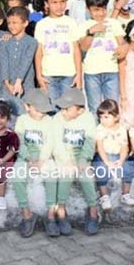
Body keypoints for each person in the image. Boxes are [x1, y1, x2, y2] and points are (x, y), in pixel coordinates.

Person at [42, 88, 99, 236]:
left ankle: (93, 211)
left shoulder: (88, 118)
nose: (63, 111)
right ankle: (61, 210)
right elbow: (56, 142)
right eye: (62, 108)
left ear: (80, 110)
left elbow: (90, 142)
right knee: (65, 175)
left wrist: (83, 160)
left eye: (67, 109)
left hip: (81, 157)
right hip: (63, 157)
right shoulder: (58, 118)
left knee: (86, 176)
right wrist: (66, 161)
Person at [12, 89, 54, 238]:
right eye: (37, 110)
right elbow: (19, 142)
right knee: (17, 176)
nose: (41, 113)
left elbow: (50, 142)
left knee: (52, 175)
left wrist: (41, 161)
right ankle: (27, 214)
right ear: (27, 106)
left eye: (43, 110)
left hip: (44, 157)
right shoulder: (22, 120)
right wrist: (29, 159)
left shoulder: (48, 120)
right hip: (26, 157)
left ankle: (51, 214)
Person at [78, 0, 125, 113]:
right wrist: (91, 32)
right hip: (91, 72)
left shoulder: (114, 23)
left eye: (103, 9)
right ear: (88, 9)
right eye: (96, 10)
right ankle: (96, 126)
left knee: (112, 106)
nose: (101, 13)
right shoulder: (84, 26)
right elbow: (83, 48)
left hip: (111, 71)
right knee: (94, 107)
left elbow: (122, 43)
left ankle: (112, 126)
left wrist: (123, 48)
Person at [35, 0, 83, 103]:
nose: (59, 6)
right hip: (48, 75)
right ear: (46, 4)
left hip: (69, 74)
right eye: (54, 2)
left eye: (62, 1)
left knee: (69, 107)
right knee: (52, 107)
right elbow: (39, 52)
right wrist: (39, 75)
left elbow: (76, 50)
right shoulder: (41, 24)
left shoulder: (71, 22)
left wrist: (78, 75)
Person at [92, 100, 132, 210]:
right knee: (100, 169)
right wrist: (107, 162)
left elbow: (124, 147)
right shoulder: (100, 129)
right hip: (103, 155)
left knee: (129, 168)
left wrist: (121, 160)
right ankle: (104, 196)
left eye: (106, 117)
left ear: (116, 117)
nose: (103, 120)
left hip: (118, 155)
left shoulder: (122, 128)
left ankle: (125, 194)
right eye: (101, 117)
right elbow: (100, 147)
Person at [0, 7, 37, 116]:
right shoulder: (5, 41)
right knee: (9, 114)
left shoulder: (31, 42)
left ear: (25, 23)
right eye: (9, 23)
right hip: (9, 85)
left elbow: (27, 61)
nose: (11, 26)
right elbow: (4, 62)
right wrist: (7, 83)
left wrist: (19, 81)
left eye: (15, 23)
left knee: (26, 113)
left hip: (26, 84)